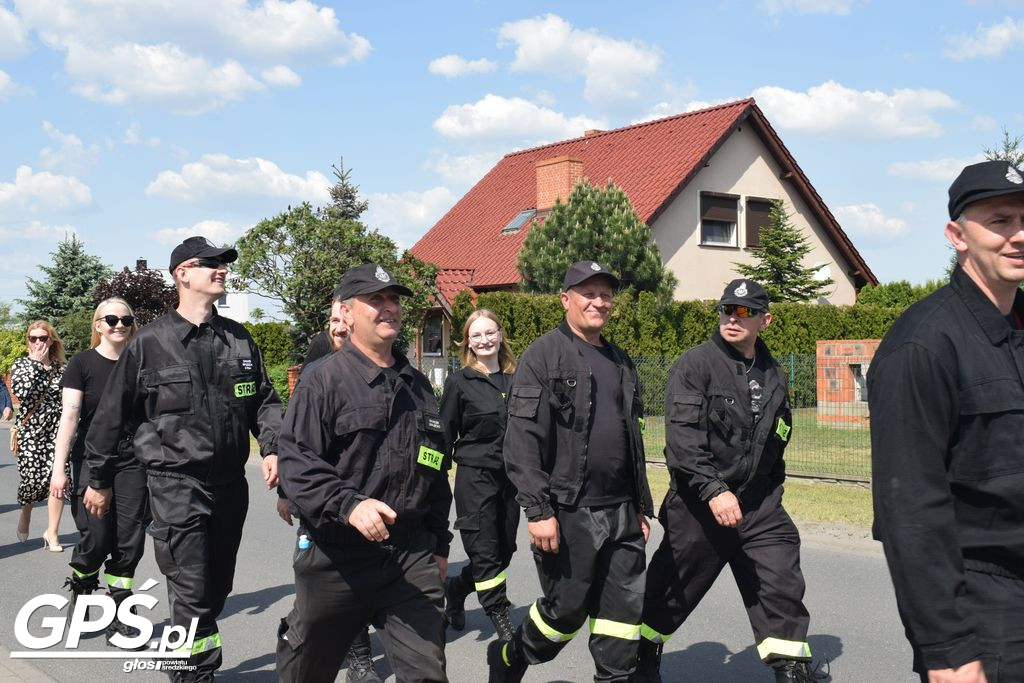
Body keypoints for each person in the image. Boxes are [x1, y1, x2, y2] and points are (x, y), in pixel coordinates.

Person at [84, 236, 282, 681]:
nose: (222, 269)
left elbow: (264, 401)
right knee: (191, 589)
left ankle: (184, 656)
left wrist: (272, 447)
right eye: (210, 263)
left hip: (231, 485)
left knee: (216, 588)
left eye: (224, 263)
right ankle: (196, 673)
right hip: (175, 484)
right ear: (182, 273)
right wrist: (98, 479)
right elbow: (111, 419)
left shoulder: (238, 339)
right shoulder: (149, 344)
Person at [869, 160, 1024, 683]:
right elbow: (909, 507)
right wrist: (949, 650)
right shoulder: (923, 344)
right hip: (983, 604)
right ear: (957, 235)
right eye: (1000, 221)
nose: (1019, 235)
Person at [276, 263, 452, 683]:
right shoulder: (323, 383)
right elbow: (297, 462)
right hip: (337, 556)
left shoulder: (418, 387)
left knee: (427, 672)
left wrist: (439, 542)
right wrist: (349, 504)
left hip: (409, 557)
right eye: (376, 300)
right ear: (348, 313)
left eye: (393, 299)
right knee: (307, 670)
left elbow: (435, 470)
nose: (389, 308)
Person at [636, 279, 818, 683]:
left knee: (781, 580)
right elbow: (681, 441)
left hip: (758, 504)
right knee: (671, 591)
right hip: (701, 505)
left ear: (764, 320)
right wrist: (714, 490)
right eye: (727, 310)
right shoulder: (695, 364)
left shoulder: (773, 372)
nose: (733, 318)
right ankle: (642, 654)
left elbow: (778, 437)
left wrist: (772, 491)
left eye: (744, 312)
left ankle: (790, 668)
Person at [489, 261, 653, 683]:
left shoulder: (620, 361)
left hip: (621, 510)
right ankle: (511, 656)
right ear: (566, 300)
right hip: (567, 511)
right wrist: (538, 510)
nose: (599, 302)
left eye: (606, 294)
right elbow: (521, 439)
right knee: (566, 612)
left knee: (622, 618)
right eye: (588, 294)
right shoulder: (542, 357)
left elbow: (630, 439)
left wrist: (640, 504)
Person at [277, 293, 383, 683]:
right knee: (327, 585)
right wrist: (286, 494)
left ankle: (353, 656)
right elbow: (297, 441)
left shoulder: (384, 362)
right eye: (334, 321)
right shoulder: (318, 365)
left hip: (371, 497)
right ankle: (320, 643)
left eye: (345, 319)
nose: (340, 328)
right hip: (324, 501)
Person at [49, 298, 148, 646]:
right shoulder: (82, 364)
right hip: (91, 460)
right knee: (97, 537)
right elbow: (70, 418)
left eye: (126, 318)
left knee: (130, 540)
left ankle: (119, 613)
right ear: (98, 324)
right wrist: (59, 469)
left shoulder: (141, 365)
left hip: (134, 461)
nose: (119, 324)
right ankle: (82, 590)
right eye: (111, 318)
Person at [440, 309, 518, 642]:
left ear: (500, 335)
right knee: (484, 551)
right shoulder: (459, 383)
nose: (484, 339)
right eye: (476, 335)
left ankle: (456, 590)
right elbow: (443, 433)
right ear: (467, 343)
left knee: (505, 551)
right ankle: (499, 614)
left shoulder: (520, 378)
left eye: (490, 332)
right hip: (475, 478)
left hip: (512, 480)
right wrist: (432, 480)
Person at [11, 321, 67, 551]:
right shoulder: (22, 364)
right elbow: (22, 393)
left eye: (43, 338)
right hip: (30, 433)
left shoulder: (62, 368)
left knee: (58, 482)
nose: (38, 342)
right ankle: (26, 511)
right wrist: (35, 364)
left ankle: (52, 533)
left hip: (56, 432)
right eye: (33, 338)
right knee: (32, 480)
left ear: (51, 340)